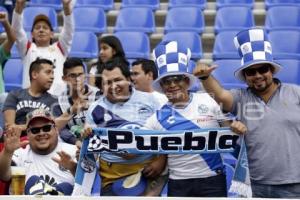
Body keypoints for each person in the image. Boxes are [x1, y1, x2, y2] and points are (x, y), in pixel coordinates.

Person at [193, 27, 300, 198]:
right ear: (245, 76)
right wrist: (205, 77)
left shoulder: (296, 93)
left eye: (263, 69)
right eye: (251, 71)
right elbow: (220, 95)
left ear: (271, 70)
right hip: (255, 184)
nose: (257, 75)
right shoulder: (240, 97)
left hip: (295, 185)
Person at [144, 40, 247, 197]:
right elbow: (134, 145)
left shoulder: (209, 100)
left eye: (177, 79)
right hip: (178, 182)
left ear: (186, 81)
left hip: (213, 180)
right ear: (162, 86)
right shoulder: (155, 119)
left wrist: (236, 127)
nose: (172, 85)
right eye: (167, 81)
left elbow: (230, 130)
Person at [85, 57, 166, 196]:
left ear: (129, 79)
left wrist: (161, 161)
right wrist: (84, 139)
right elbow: (89, 146)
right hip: (111, 179)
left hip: (149, 174)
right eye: (107, 83)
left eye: (117, 80)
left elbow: (167, 134)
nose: (112, 86)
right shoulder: (95, 108)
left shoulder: (152, 101)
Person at [0, 108, 77, 195]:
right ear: (28, 134)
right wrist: (7, 152)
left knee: (66, 187)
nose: (41, 133)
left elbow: (87, 186)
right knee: (33, 181)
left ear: (56, 129)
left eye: (46, 128)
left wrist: (74, 168)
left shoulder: (74, 151)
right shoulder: (20, 152)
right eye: (35, 130)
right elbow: (3, 175)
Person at [2, 58, 78, 138]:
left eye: (52, 73)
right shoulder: (15, 94)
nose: (52, 77)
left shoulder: (55, 101)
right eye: (48, 72)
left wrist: (23, 127)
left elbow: (55, 128)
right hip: (16, 141)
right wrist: (29, 126)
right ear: (34, 74)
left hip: (42, 142)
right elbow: (10, 128)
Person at [12, 0, 74, 96]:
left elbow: (69, 31)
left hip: (57, 101)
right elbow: (16, 31)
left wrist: (66, 8)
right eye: (37, 28)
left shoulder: (60, 48)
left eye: (45, 28)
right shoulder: (27, 49)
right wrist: (18, 8)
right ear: (32, 34)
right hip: (30, 102)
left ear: (52, 34)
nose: (41, 30)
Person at [58, 57, 100, 144]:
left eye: (80, 75)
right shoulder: (59, 100)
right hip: (72, 146)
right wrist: (76, 142)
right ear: (64, 79)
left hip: (96, 142)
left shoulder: (97, 95)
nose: (77, 80)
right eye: (73, 76)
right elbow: (61, 129)